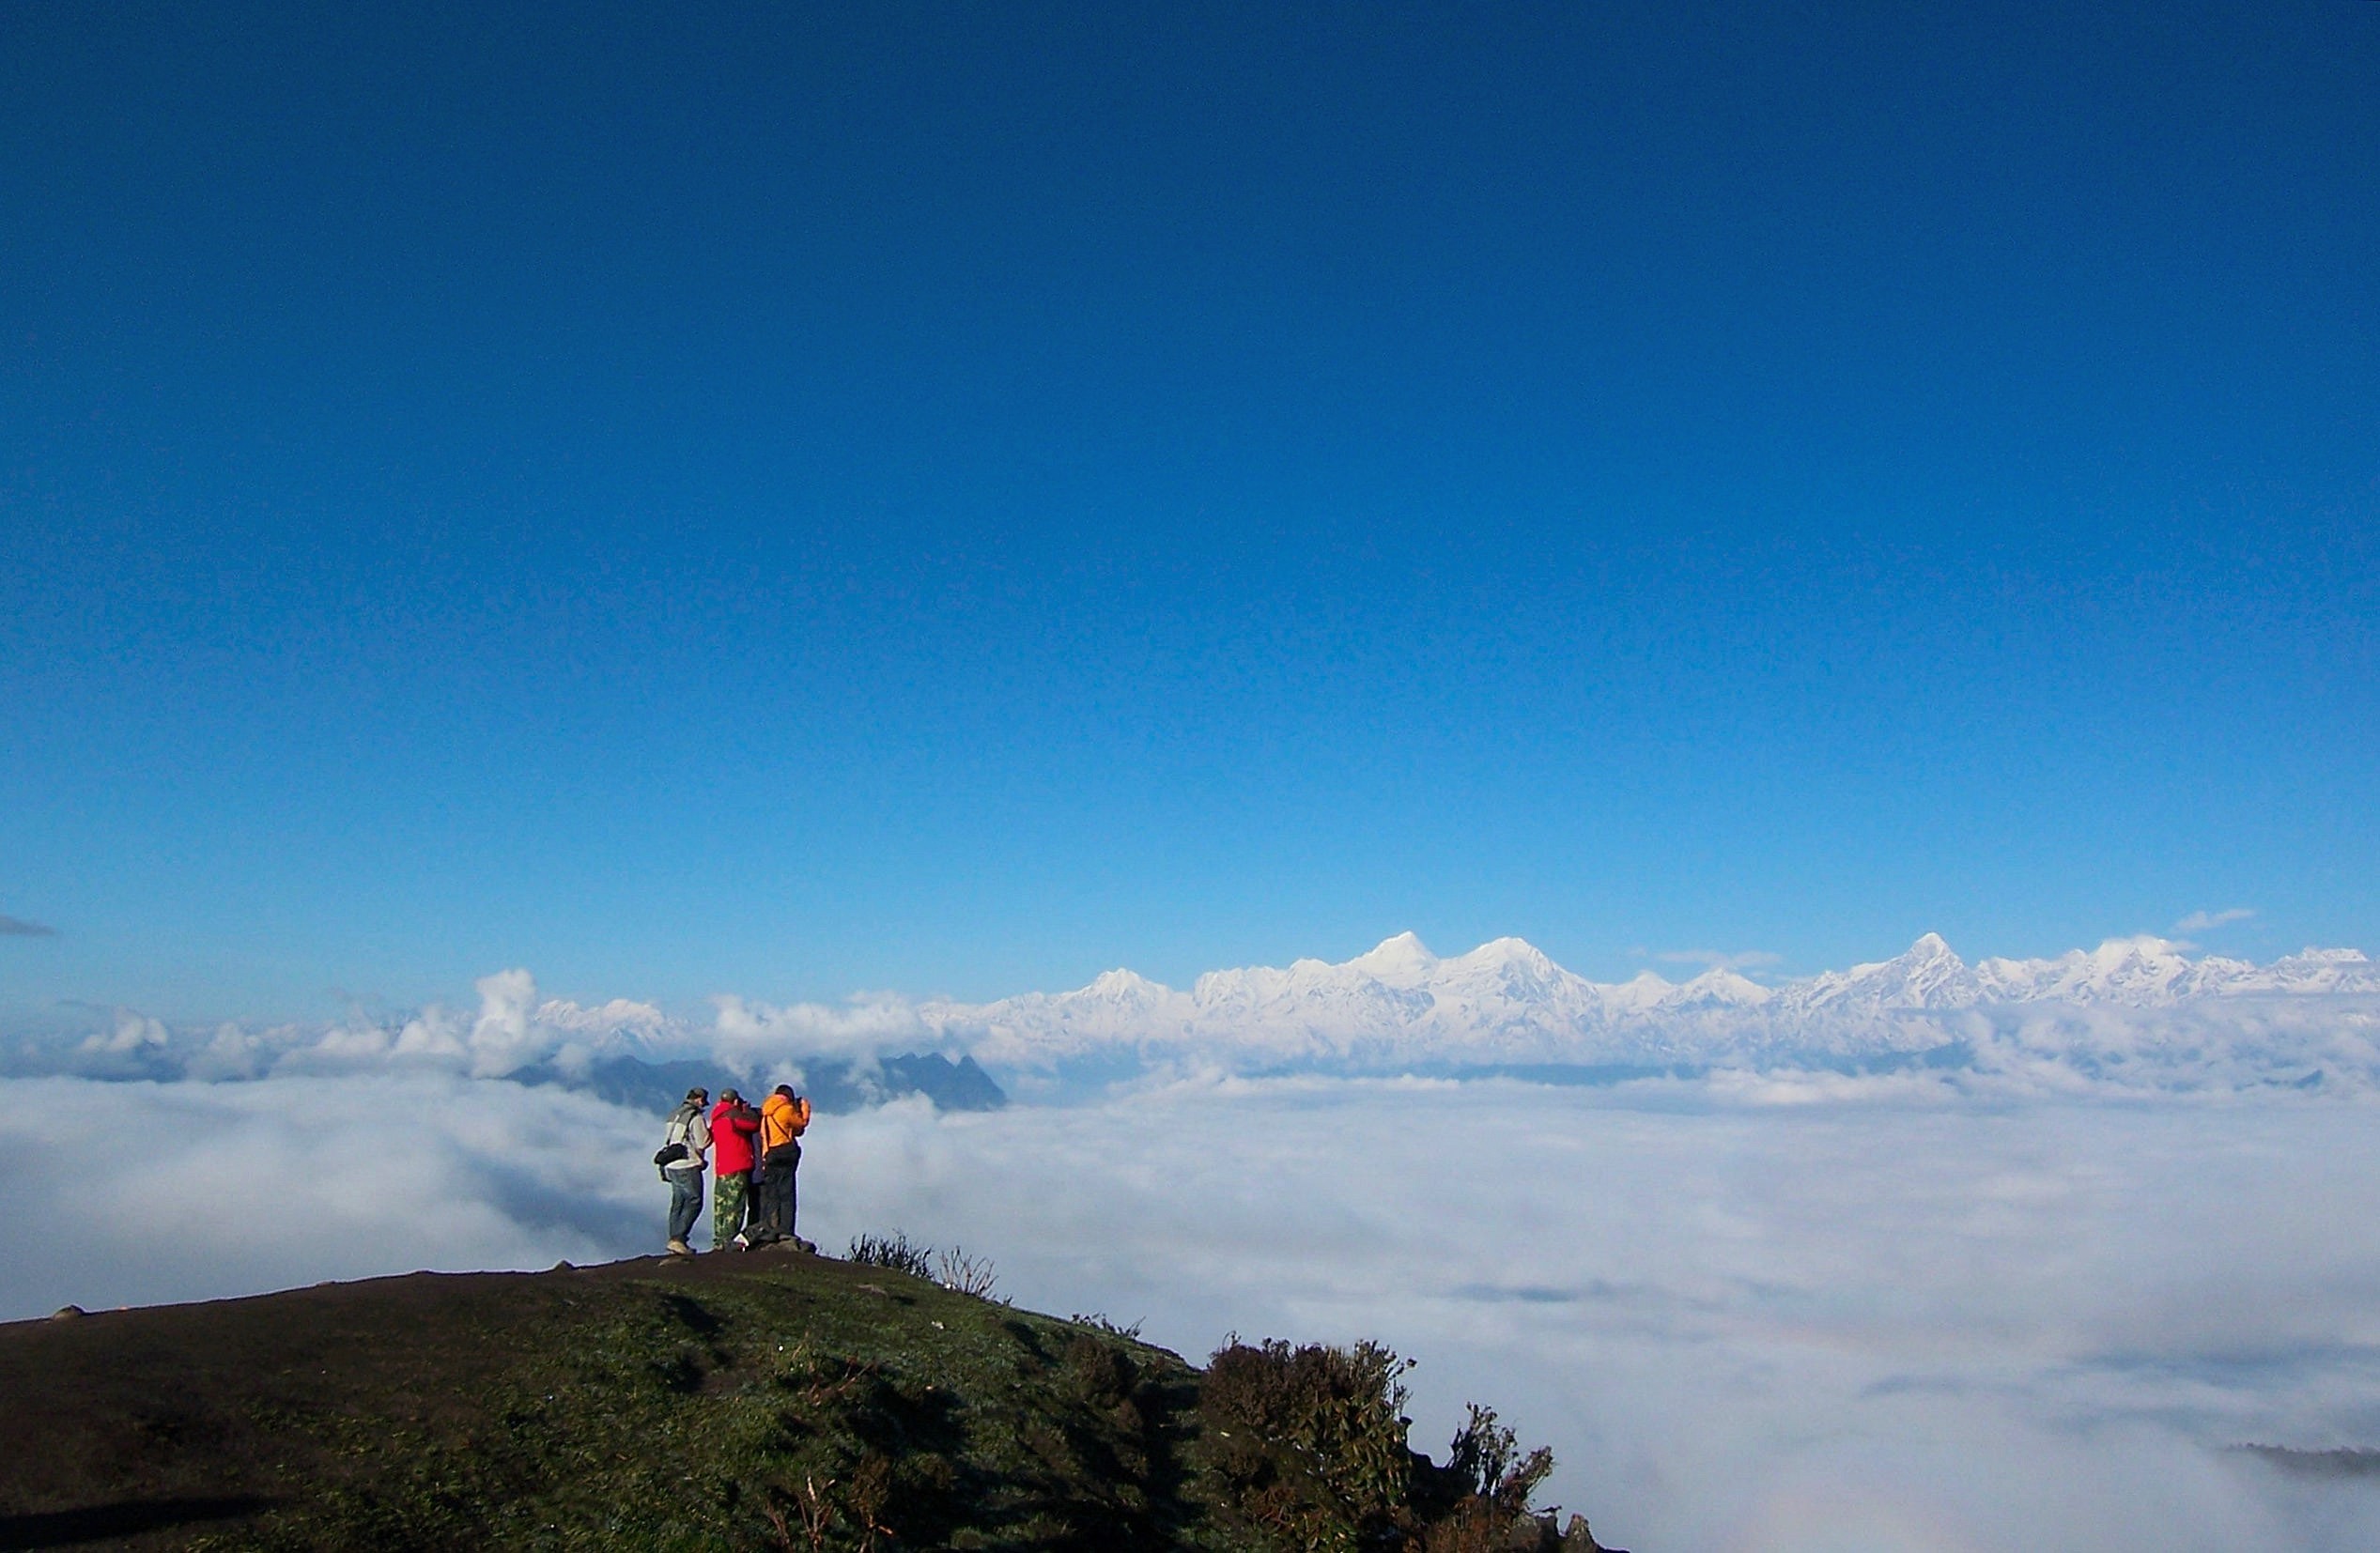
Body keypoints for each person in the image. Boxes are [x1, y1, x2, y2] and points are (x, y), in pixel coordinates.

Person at [756, 1084, 811, 1245]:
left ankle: (770, 1227)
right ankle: (786, 1231)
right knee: (786, 1193)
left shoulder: (766, 1111)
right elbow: (801, 1125)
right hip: (785, 1151)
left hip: (770, 1153)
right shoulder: (786, 1109)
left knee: (772, 1193)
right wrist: (804, 1109)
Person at [659, 1086, 711, 1257]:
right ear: (699, 1100)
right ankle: (679, 1239)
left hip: (671, 1164)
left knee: (678, 1202)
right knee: (695, 1201)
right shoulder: (695, 1117)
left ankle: (674, 1238)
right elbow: (702, 1142)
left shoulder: (674, 1114)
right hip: (687, 1164)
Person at [708, 1087, 761, 1251]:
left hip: (721, 1167)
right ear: (735, 1101)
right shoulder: (733, 1115)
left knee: (721, 1205)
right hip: (737, 1164)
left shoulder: (716, 1116)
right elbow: (753, 1123)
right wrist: (746, 1110)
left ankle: (719, 1239)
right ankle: (730, 1240)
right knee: (735, 1205)